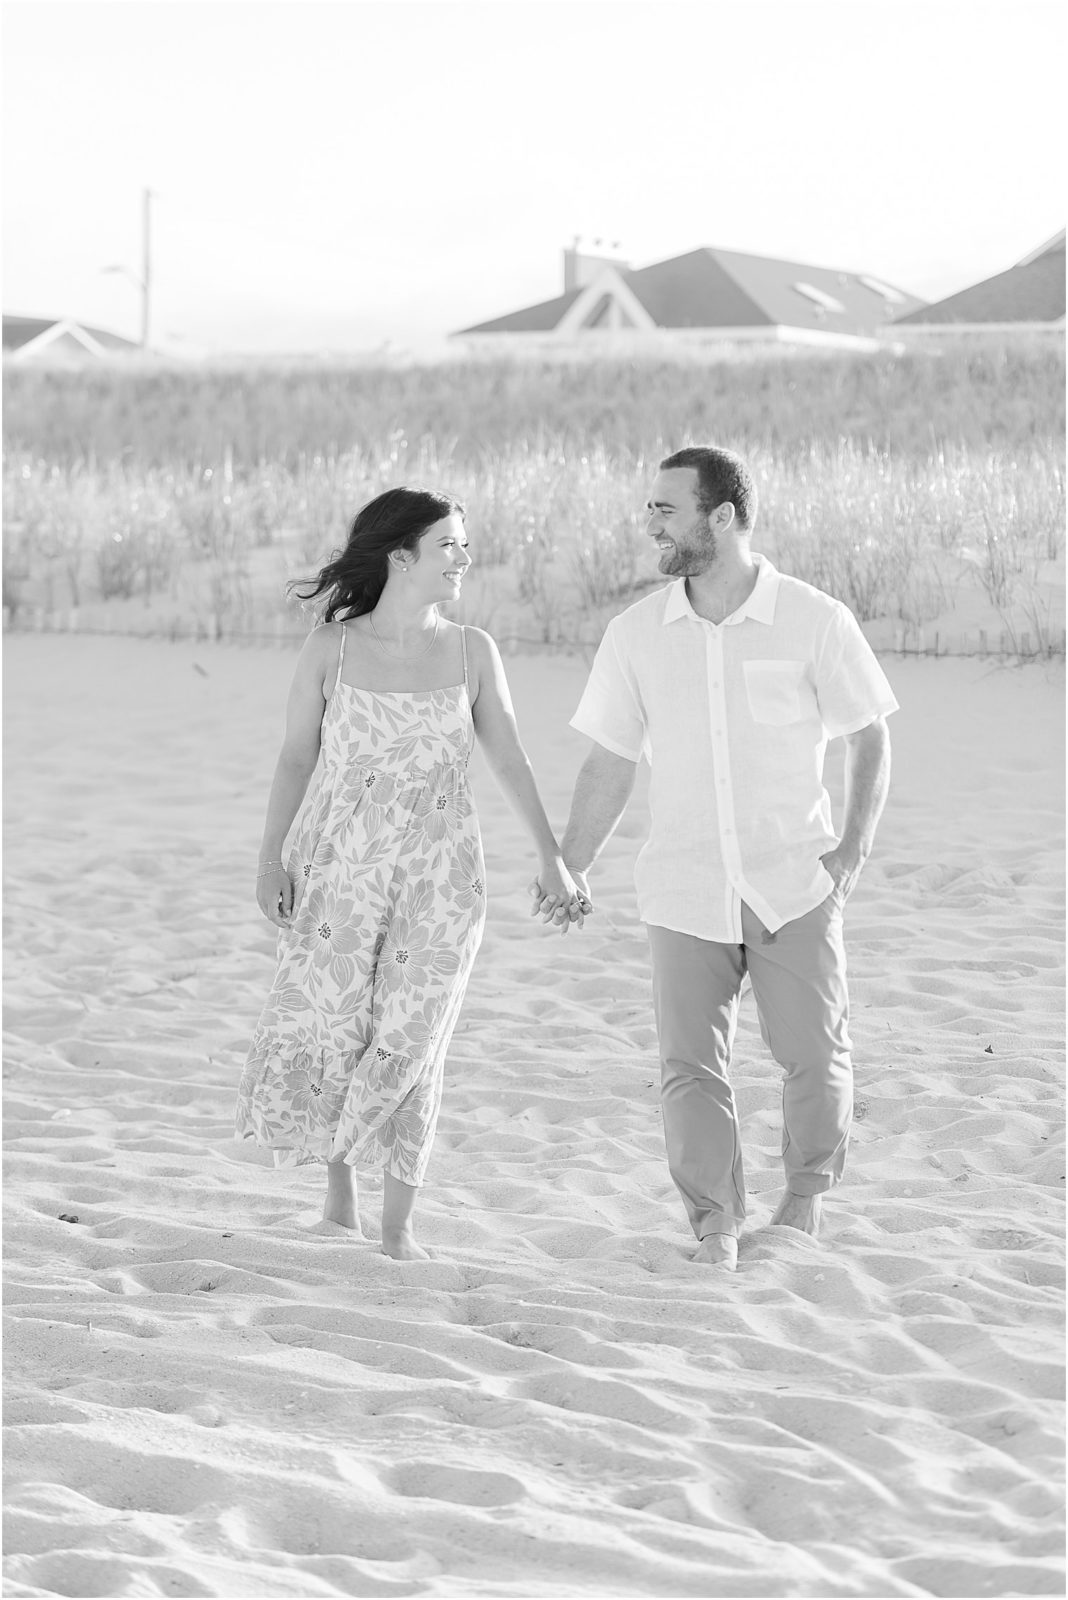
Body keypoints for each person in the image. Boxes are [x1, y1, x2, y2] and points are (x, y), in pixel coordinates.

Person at [535, 446, 898, 1271]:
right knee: (689, 1069)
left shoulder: (813, 618)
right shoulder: (636, 634)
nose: (650, 522)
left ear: (722, 516)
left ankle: (802, 1201)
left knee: (814, 1052)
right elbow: (611, 762)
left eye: (666, 508)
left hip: (792, 881)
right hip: (683, 884)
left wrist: (852, 848)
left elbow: (869, 730)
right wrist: (572, 863)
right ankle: (715, 1225)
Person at [235, 486, 584, 1260]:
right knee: (338, 1028)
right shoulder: (332, 648)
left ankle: (398, 1229)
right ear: (401, 556)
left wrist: (552, 856)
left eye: (465, 544)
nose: (465, 558)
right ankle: (339, 1205)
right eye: (449, 546)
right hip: (338, 869)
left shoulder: (472, 651)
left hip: (444, 876)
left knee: (413, 1038)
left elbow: (509, 758)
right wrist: (271, 858)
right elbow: (297, 756)